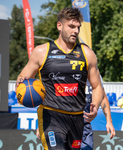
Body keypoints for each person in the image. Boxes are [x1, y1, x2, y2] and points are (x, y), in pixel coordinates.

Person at [16, 7, 103, 150]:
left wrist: (96, 106)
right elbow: (22, 78)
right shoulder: (41, 52)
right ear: (59, 25)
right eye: (71, 26)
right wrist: (21, 85)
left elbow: (97, 86)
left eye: (78, 27)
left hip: (77, 118)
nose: (76, 31)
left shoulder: (87, 54)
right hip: (51, 117)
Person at [81, 77, 115, 150]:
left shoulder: (96, 74)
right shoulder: (66, 69)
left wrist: (109, 122)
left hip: (85, 125)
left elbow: (102, 97)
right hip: (67, 123)